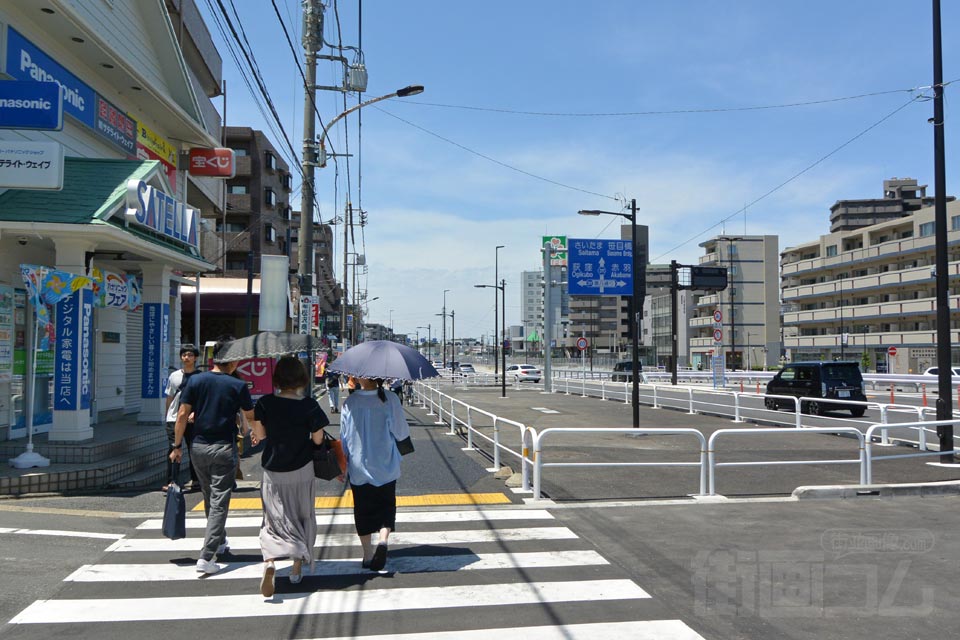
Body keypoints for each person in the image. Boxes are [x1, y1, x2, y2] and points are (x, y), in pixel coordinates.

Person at [169, 335, 254, 575]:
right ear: (233, 360)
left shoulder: (196, 380)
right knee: (219, 502)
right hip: (224, 448)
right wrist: (257, 433)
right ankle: (206, 556)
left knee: (209, 496)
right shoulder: (237, 385)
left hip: (198, 447)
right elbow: (250, 416)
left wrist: (177, 446)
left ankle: (221, 540)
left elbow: (182, 414)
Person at [250, 356, 330, 597]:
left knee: (273, 518)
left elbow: (260, 436)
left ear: (277, 379)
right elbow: (318, 439)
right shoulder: (309, 405)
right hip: (302, 468)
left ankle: (270, 561)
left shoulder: (265, 403)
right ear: (301, 379)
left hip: (273, 470)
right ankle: (296, 568)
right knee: (301, 515)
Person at [338, 376, 411, 571]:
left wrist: (342, 464)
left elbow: (344, 437)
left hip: (358, 466)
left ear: (360, 377)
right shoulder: (390, 399)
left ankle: (367, 555)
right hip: (385, 464)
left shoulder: (350, 402)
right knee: (386, 505)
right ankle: (383, 541)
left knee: (362, 509)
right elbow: (401, 432)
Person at [164, 344, 199, 492]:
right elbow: (169, 397)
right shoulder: (174, 376)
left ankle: (196, 479)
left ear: (195, 358)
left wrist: (195, 413)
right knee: (174, 448)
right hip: (174, 418)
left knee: (194, 449)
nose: (186, 358)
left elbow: (202, 398)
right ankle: (172, 481)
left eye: (190, 355)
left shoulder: (201, 377)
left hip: (193, 419)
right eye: (184, 355)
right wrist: (167, 415)